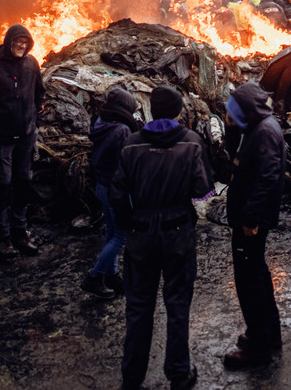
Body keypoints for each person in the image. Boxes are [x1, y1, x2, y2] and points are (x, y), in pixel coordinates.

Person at [111, 86, 214, 390]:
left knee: (139, 307)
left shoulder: (131, 145)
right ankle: (179, 375)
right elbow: (202, 188)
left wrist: (131, 221)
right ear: (178, 111)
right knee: (178, 305)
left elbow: (117, 193)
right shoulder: (191, 143)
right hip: (178, 231)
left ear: (151, 111)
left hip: (141, 232)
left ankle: (132, 379)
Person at [222, 82, 286, 368]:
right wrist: (233, 128)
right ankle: (268, 333)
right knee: (257, 272)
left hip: (251, 220)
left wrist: (250, 218)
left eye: (231, 113)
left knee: (249, 280)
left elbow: (267, 178)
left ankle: (259, 347)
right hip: (251, 216)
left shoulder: (264, 133)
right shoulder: (257, 127)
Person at [0, 24, 44, 257]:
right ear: (8, 42)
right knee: (2, 185)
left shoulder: (31, 64)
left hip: (26, 137)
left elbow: (39, 93)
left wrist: (34, 123)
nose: (22, 46)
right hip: (1, 141)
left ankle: (20, 232)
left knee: (23, 182)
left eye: (25, 42)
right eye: (17, 42)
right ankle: (2, 237)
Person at [83, 87, 141, 298]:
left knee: (111, 231)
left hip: (102, 185)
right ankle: (94, 277)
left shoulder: (101, 123)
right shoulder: (122, 131)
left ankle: (112, 275)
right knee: (121, 235)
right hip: (116, 189)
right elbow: (126, 163)